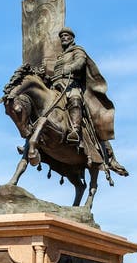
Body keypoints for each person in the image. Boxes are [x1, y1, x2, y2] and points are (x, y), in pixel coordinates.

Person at [49, 28, 127, 176]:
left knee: (75, 99)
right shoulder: (59, 57)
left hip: (71, 85)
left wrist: (68, 68)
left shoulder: (78, 51)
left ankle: (75, 131)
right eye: (62, 36)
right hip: (56, 87)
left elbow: (80, 64)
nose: (63, 38)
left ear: (72, 38)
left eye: (66, 36)